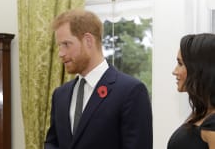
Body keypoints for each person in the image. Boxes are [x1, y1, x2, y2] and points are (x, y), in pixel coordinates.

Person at [44, 9, 153, 149]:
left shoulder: (131, 92)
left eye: (66, 44)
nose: (60, 53)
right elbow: (52, 142)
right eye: (59, 46)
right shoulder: (60, 95)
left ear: (88, 41)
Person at [168, 33, 215, 149]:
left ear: (199, 69)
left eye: (180, 64)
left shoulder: (212, 124)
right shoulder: (202, 112)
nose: (174, 71)